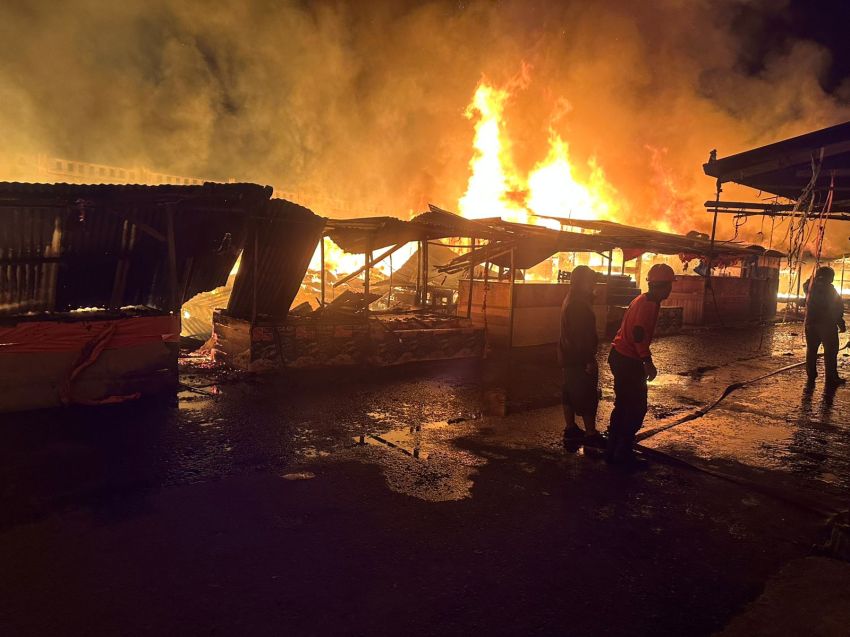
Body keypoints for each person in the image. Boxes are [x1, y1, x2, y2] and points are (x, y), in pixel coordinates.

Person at [605, 263, 675, 466]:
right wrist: (648, 362)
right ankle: (622, 451)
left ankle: (612, 449)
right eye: (669, 285)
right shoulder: (648, 304)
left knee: (623, 405)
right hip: (628, 360)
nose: (670, 289)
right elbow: (638, 335)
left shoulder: (643, 299)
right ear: (662, 286)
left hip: (620, 356)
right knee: (636, 407)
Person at [558, 265, 604, 447]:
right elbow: (580, 335)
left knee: (569, 391)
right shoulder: (578, 304)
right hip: (578, 356)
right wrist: (588, 360)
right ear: (583, 282)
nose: (593, 283)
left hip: (568, 354)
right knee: (586, 393)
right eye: (591, 280)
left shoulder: (573, 298)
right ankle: (590, 433)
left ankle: (571, 428)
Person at [805, 266, 846, 387]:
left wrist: (814, 277)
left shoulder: (809, 287)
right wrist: (841, 324)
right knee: (831, 351)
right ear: (829, 277)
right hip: (826, 324)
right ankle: (831, 377)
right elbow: (836, 308)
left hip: (810, 323)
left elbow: (807, 285)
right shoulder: (830, 290)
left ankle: (811, 375)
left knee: (811, 349)